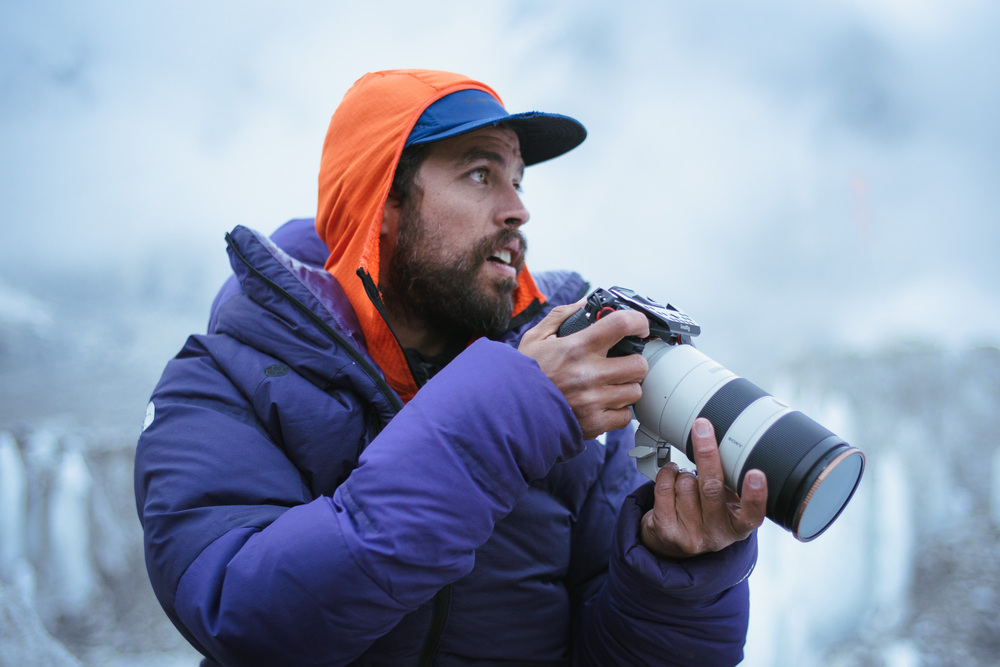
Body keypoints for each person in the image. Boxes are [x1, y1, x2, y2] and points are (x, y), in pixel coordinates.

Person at [134, 68, 768, 666]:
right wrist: (511, 414)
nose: (518, 209)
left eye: (518, 180)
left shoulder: (569, 396)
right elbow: (248, 620)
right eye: (478, 174)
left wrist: (670, 576)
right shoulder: (219, 385)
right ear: (380, 203)